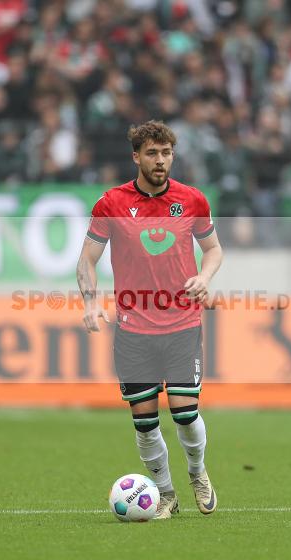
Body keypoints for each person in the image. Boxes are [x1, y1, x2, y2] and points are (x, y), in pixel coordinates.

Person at [76, 120, 223, 519]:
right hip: (133, 329)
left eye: (167, 153)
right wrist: (90, 303)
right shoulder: (112, 204)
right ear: (137, 157)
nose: (161, 161)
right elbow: (86, 259)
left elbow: (213, 250)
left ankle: (197, 472)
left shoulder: (192, 200)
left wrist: (204, 277)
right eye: (153, 154)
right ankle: (165, 492)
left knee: (185, 414)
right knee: (144, 423)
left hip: (182, 325)